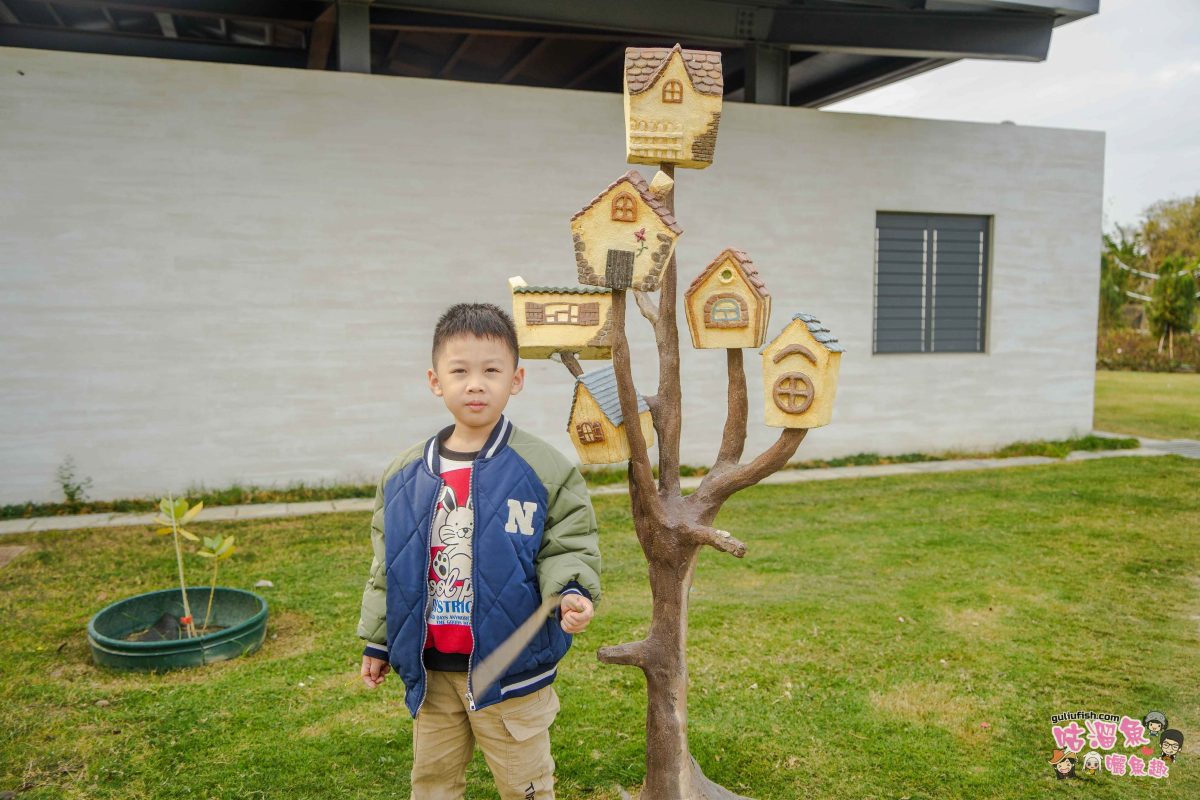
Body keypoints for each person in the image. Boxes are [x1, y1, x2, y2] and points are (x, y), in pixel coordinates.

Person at [357, 302, 601, 800]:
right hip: (431, 671)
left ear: (516, 379)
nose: (476, 384)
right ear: (435, 380)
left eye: (492, 370)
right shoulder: (403, 475)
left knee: (525, 786)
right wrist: (379, 642)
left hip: (511, 674)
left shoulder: (545, 468)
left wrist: (572, 592)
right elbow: (388, 567)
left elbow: (568, 542)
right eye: (460, 371)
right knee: (433, 784)